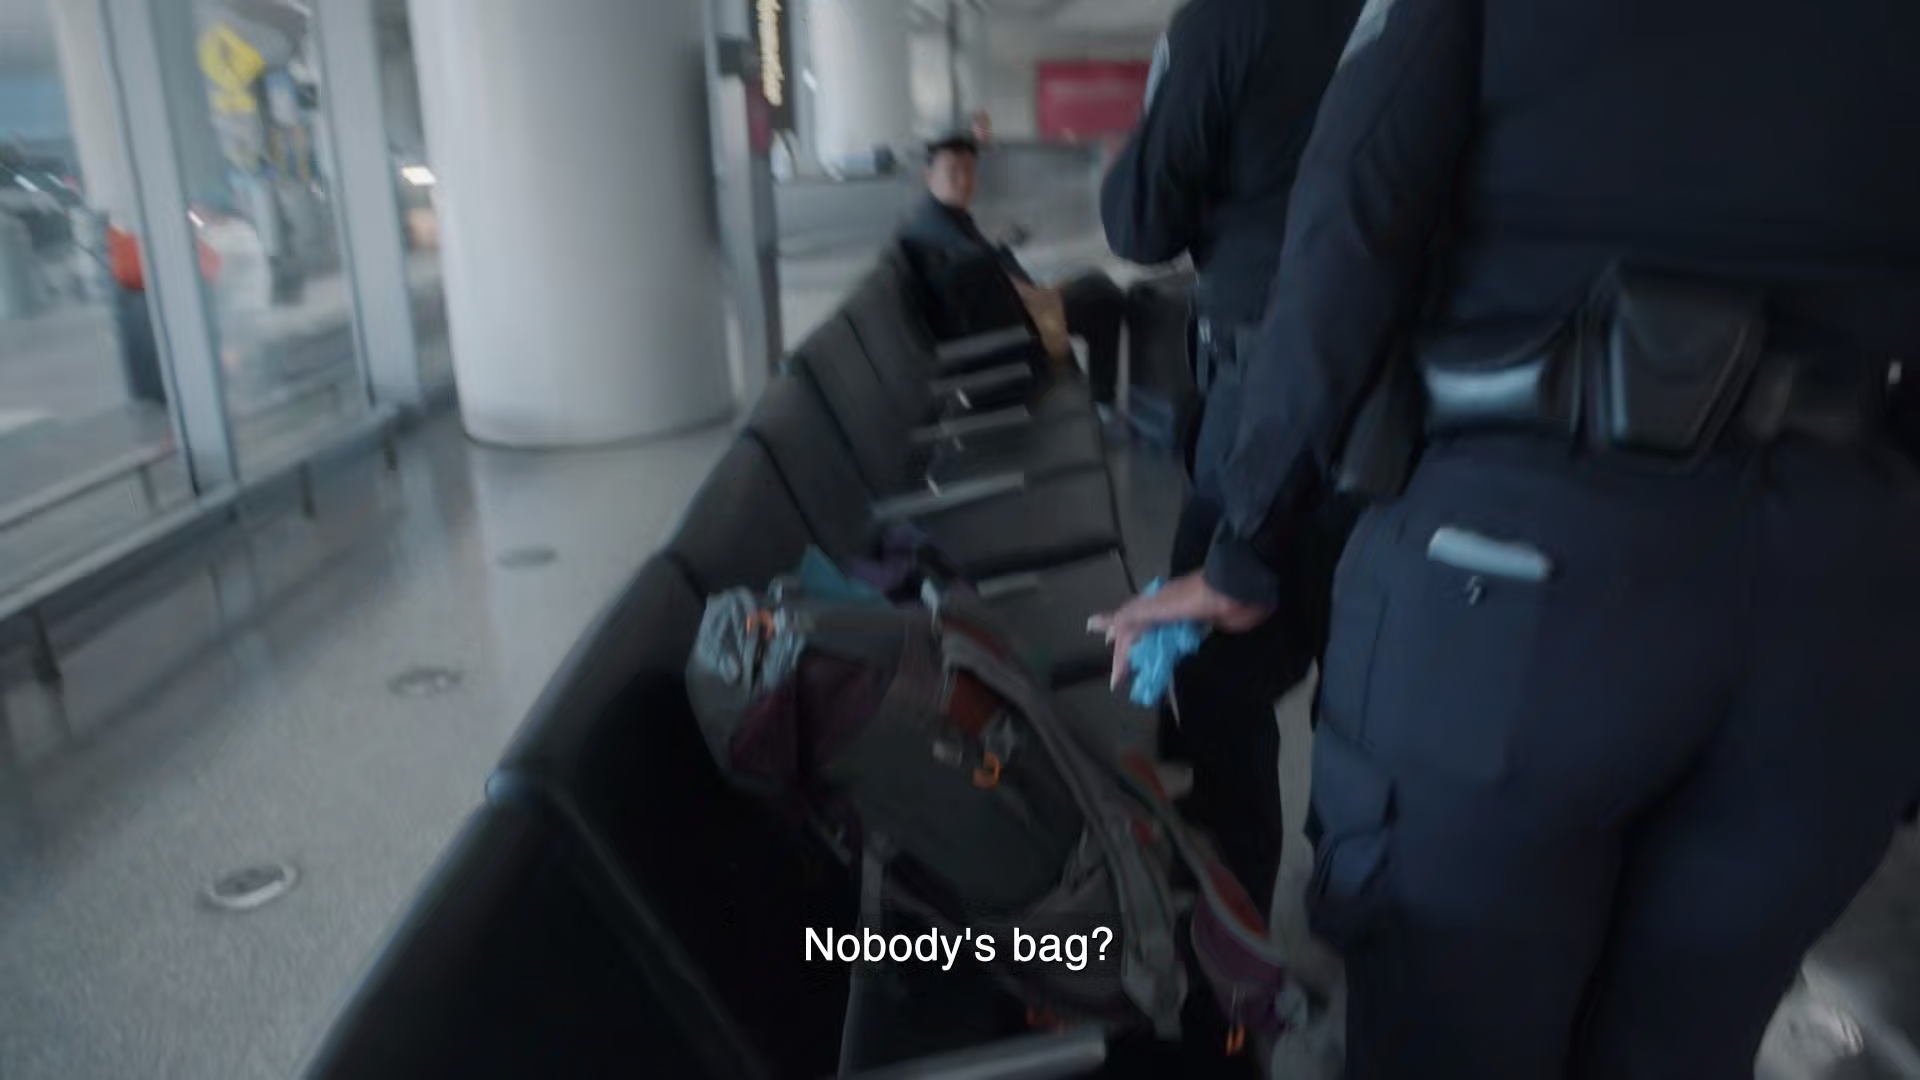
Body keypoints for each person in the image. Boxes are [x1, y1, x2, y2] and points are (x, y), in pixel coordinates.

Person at [1094, 0, 1920, 1075]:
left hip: (1527, 574)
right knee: (1687, 1037)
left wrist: (1245, 543)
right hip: (1837, 607)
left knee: (1452, 1023)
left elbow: (1352, 226)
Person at [1096, 0, 1364, 919]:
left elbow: (1139, 222)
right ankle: (1352, 907)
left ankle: (1236, 931)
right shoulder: (1419, 19)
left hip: (1262, 390)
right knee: (1366, 678)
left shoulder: (1225, 22)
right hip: (1404, 403)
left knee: (1214, 682)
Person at [898, 133, 1130, 411]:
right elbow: (981, 275)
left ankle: (1101, 399)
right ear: (929, 176)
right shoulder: (939, 230)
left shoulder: (938, 218)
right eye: (954, 171)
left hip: (1006, 317)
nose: (965, 180)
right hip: (1008, 336)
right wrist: (1040, 294)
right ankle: (1103, 402)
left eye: (970, 171)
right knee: (1103, 298)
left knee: (1095, 282)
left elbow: (985, 271)